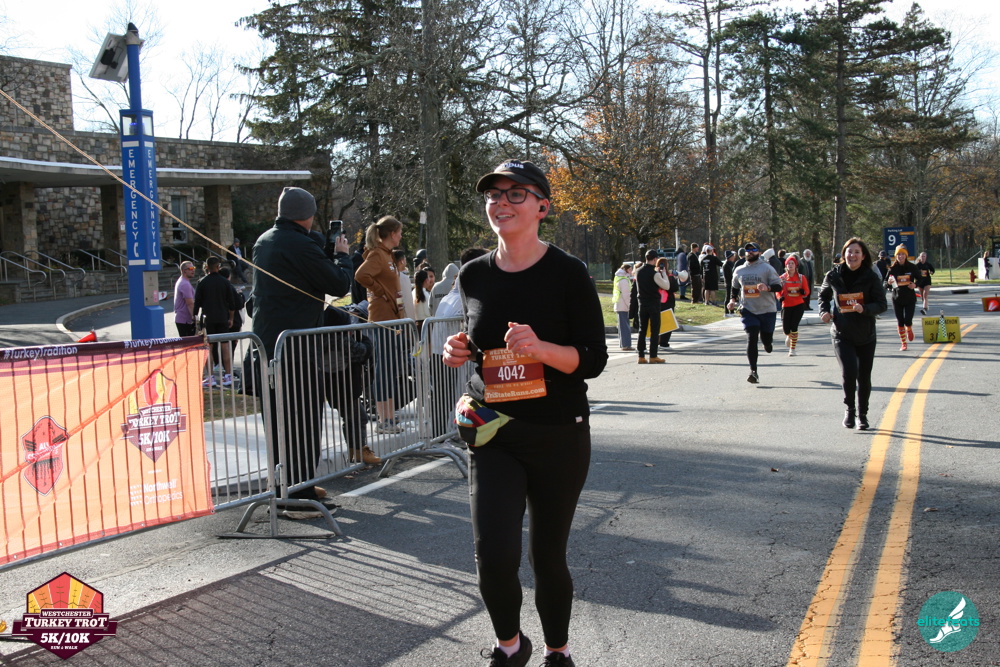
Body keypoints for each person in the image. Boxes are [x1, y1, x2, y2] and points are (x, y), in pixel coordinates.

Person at [443, 159, 607, 667]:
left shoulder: (568, 273)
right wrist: (460, 350)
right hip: (495, 433)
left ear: (542, 207)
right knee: (494, 554)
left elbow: (593, 359)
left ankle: (558, 650)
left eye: (516, 194)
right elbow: (482, 346)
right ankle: (510, 647)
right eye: (494, 195)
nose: (501, 203)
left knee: (547, 556)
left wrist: (541, 349)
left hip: (558, 433)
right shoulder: (473, 274)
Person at [252, 186, 353, 504]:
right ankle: (299, 492)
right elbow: (338, 283)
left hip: (268, 344)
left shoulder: (264, 240)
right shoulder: (299, 244)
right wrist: (342, 256)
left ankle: (288, 485)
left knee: (278, 421)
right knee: (303, 419)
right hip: (296, 348)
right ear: (307, 215)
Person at [818, 237, 887, 430]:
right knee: (849, 372)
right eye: (849, 252)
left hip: (865, 335)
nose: (852, 255)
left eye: (857, 252)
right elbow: (823, 296)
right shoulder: (833, 275)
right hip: (842, 333)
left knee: (863, 377)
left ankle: (862, 415)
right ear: (844, 254)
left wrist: (864, 308)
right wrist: (824, 312)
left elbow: (882, 304)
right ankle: (850, 409)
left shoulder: (871, 277)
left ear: (863, 256)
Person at [354, 215, 408, 434]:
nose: (401, 236)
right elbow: (361, 275)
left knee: (391, 368)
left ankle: (390, 417)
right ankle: (383, 420)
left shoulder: (388, 255)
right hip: (382, 319)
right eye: (399, 233)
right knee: (384, 368)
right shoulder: (377, 254)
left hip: (392, 318)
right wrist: (380, 292)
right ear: (392, 234)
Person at [727, 242, 782, 384]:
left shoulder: (767, 268)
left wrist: (767, 288)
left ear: (759, 252)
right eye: (748, 250)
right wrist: (732, 300)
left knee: (766, 339)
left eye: (754, 250)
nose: (750, 252)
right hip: (748, 309)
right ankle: (753, 371)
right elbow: (734, 287)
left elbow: (779, 285)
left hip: (767, 310)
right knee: (752, 337)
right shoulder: (739, 270)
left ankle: (767, 343)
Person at [194, 256, 236, 386]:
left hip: (208, 318)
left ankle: (210, 376)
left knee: (208, 347)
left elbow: (197, 303)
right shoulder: (225, 282)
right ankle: (228, 375)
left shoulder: (202, 282)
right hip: (222, 316)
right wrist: (231, 318)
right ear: (218, 267)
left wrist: (195, 318)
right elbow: (232, 303)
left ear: (206, 267)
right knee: (225, 346)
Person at [635, 249, 669, 364]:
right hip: (653, 303)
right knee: (655, 330)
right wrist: (663, 273)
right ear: (655, 259)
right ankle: (653, 356)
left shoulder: (638, 271)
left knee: (642, 330)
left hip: (642, 302)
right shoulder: (654, 274)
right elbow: (666, 286)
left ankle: (641, 356)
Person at [885, 244, 919, 351]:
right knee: (900, 321)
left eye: (902, 254)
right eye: (898, 254)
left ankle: (909, 328)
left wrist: (915, 285)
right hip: (897, 298)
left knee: (907, 320)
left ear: (906, 255)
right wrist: (889, 283)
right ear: (896, 256)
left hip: (910, 298)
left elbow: (921, 279)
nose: (900, 256)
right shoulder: (892, 269)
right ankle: (904, 343)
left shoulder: (912, 267)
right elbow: (885, 283)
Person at [777, 255, 810, 356]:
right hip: (786, 305)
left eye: (792, 263)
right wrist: (779, 297)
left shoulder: (801, 277)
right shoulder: (782, 278)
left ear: (796, 265)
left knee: (794, 326)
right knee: (786, 329)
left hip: (798, 305)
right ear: (786, 266)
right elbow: (778, 291)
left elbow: (807, 291)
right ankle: (788, 335)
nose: (790, 265)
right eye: (788, 264)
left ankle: (792, 349)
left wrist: (803, 292)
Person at [655, 257, 679, 349]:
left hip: (656, 301)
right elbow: (674, 288)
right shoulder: (669, 277)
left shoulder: (654, 275)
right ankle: (664, 342)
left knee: (657, 322)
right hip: (668, 302)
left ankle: (656, 341)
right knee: (668, 322)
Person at [612, 263, 634, 351]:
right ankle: (626, 345)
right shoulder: (624, 280)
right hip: (623, 305)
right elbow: (626, 295)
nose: (631, 271)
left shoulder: (619, 278)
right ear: (626, 270)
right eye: (630, 269)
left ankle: (624, 344)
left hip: (620, 305)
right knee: (625, 327)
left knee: (622, 326)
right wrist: (630, 305)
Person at [173, 260, 197, 336]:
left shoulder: (182, 281)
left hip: (182, 319)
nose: (193, 270)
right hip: (184, 320)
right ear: (184, 271)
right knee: (189, 341)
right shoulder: (185, 284)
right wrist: (195, 318)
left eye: (193, 268)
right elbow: (190, 304)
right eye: (190, 269)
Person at [393, 249, 416, 321]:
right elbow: (407, 300)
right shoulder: (403, 278)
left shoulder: (392, 276)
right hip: (405, 318)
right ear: (402, 261)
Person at [722, 250, 737, 315]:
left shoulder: (730, 263)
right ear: (729, 257)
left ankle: (731, 311)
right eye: (732, 256)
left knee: (730, 297)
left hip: (730, 282)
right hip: (729, 283)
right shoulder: (727, 264)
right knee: (728, 297)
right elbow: (730, 275)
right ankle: (726, 312)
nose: (734, 257)